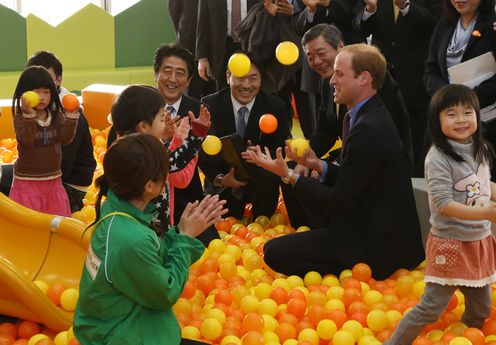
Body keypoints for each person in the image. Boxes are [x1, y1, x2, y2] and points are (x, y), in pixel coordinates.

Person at [243, 44, 424, 279]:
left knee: (273, 252)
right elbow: (356, 177)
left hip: (380, 245)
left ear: (364, 78)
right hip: (373, 226)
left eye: (339, 74)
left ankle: (347, 268)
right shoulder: (369, 113)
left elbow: (339, 201)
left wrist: (287, 175)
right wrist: (317, 165)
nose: (331, 81)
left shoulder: (368, 127)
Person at [74, 133, 227, 345]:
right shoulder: (130, 238)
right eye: (165, 171)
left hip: (114, 325)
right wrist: (185, 238)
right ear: (149, 186)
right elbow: (166, 293)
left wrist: (180, 231)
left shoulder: (117, 209)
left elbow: (150, 258)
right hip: (120, 335)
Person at [384, 84, 496, 345]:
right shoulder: (438, 157)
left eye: (467, 112)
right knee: (431, 307)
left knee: (481, 309)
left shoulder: (480, 150)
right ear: (437, 120)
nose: (461, 120)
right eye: (451, 114)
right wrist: (486, 213)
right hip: (451, 244)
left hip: (478, 242)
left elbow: (482, 183)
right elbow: (443, 203)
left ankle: (461, 338)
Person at [282, 23, 413, 228]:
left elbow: (369, 137)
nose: (316, 61)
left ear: (341, 47)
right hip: (351, 153)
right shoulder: (327, 83)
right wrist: (306, 158)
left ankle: (332, 233)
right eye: (310, 56)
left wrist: (328, 166)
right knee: (294, 171)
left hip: (380, 162)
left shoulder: (373, 79)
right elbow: (324, 132)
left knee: (310, 178)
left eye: (321, 53)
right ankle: (308, 230)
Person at [110, 85, 212, 242]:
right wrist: (196, 134)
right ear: (143, 126)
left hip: (139, 224)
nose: (166, 122)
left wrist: (166, 138)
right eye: (161, 119)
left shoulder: (125, 147)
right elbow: (174, 162)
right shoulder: (142, 154)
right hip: (150, 229)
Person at [354, 0, 441, 177]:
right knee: (381, 139)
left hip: (416, 81)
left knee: (416, 143)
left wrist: (405, 6)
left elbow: (435, 23)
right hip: (382, 80)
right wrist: (370, 9)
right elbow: (360, 28)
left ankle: (415, 188)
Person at [199, 54, 291, 219]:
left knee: (268, 177)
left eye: (253, 78)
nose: (247, 85)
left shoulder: (276, 107)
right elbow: (202, 151)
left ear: (261, 80)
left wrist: (261, 157)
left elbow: (281, 147)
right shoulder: (209, 105)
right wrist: (220, 178)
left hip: (261, 182)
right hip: (224, 180)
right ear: (228, 77)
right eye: (240, 78)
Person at [424, 0, 496, 175]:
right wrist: (448, 97)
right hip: (448, 120)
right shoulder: (445, 24)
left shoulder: (492, 24)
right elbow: (430, 70)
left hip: (488, 121)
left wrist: (466, 100)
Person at [26, 50, 96, 212]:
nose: (40, 88)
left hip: (70, 185)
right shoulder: (37, 109)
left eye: (46, 80)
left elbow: (61, 166)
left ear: (58, 80)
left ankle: (72, 204)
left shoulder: (67, 111)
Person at [10, 66, 79, 217]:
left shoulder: (56, 116)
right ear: (24, 94)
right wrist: (30, 117)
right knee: (29, 223)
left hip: (52, 181)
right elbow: (27, 140)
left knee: (54, 222)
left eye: (46, 92)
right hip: (27, 181)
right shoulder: (20, 118)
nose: (41, 97)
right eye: (36, 92)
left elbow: (66, 139)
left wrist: (71, 118)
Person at [195, 0, 259, 90]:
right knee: (223, 93)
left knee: (250, 87)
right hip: (222, 49)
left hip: (252, 46)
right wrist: (202, 58)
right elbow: (203, 21)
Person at [168, 0, 216, 99]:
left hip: (216, 42)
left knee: (214, 91)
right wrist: (183, 30)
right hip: (190, 41)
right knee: (192, 90)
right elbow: (174, 9)